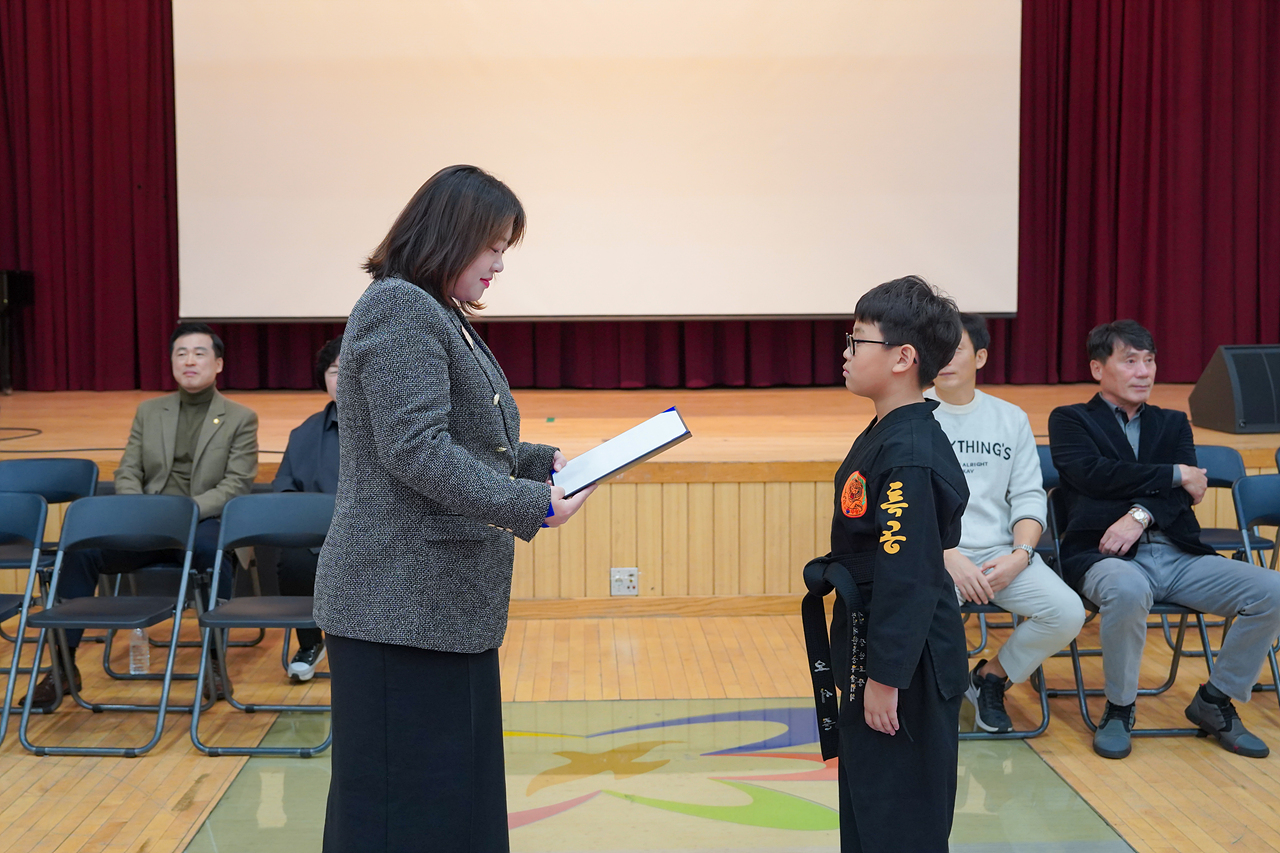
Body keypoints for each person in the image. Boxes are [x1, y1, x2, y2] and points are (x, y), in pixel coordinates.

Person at [313, 165, 595, 853]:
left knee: (449, 800)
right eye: (494, 244)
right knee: (398, 807)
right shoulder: (399, 308)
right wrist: (531, 503)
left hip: (438, 610)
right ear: (450, 235)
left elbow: (464, 440)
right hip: (395, 607)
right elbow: (415, 451)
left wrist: (540, 463)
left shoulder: (437, 312)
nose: (501, 262)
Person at [1049, 320, 1280, 760]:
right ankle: (1119, 709)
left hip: (1179, 553)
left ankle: (1215, 701)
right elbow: (1092, 476)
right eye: (1130, 361)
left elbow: (1184, 500)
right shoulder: (1070, 420)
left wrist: (1139, 513)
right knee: (1128, 588)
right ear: (1098, 369)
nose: (1144, 372)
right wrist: (1175, 474)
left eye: (1150, 361)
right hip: (1105, 555)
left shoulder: (1173, 423)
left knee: (1272, 590)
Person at [24, 322, 258, 708]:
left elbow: (235, 484)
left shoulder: (240, 417)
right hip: (145, 526)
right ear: (170, 363)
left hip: (202, 523)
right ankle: (63, 666)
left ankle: (214, 663)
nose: (189, 361)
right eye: (180, 353)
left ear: (218, 364)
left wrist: (181, 512)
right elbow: (128, 470)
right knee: (80, 552)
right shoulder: (150, 411)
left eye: (199, 353)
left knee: (214, 553)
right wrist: (137, 510)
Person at [826, 276, 969, 852]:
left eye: (858, 340)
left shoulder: (909, 451)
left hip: (904, 665)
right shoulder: (889, 430)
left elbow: (908, 578)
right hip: (882, 648)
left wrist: (884, 681)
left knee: (901, 822)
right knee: (870, 810)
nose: (846, 351)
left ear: (902, 358)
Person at [926, 314, 1086, 732]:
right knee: (916, 614)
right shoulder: (913, 415)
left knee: (1067, 612)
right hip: (936, 555)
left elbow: (1029, 496)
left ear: (980, 356)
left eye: (955, 348)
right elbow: (905, 506)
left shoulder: (1010, 417)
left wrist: (1020, 555)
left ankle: (991, 678)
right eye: (936, 347)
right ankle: (934, 701)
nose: (944, 358)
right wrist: (947, 556)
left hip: (1002, 555)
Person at [271, 335, 342, 681]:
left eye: (352, 370)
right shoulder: (305, 433)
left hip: (378, 536)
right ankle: (310, 641)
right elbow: (284, 490)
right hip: (318, 539)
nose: (343, 379)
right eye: (334, 371)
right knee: (294, 558)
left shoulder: (393, 426)